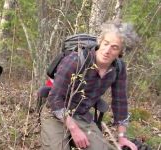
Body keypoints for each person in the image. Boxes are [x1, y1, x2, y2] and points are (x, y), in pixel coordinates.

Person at [40, 20, 139, 150]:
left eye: (114, 47)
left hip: (81, 115)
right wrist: (74, 130)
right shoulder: (76, 60)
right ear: (100, 42)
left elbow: (120, 102)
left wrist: (122, 136)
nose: (107, 50)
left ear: (121, 52)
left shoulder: (118, 68)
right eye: (106, 44)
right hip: (55, 112)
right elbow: (54, 98)